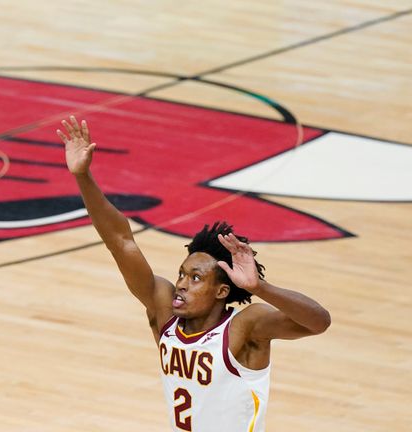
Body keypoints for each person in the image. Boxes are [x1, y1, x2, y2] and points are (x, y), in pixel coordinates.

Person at [57, 116, 331, 432]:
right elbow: (120, 241)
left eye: (196, 278)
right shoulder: (164, 312)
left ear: (222, 291)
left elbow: (319, 322)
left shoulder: (246, 326)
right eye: (182, 274)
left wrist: (261, 287)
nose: (182, 285)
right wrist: (83, 177)